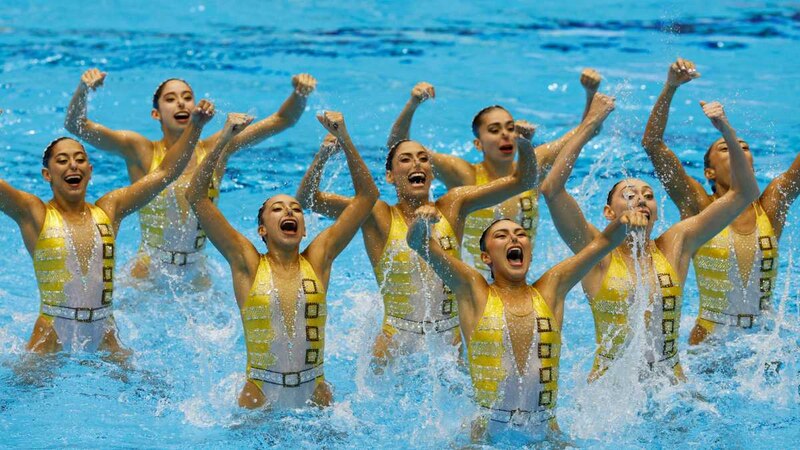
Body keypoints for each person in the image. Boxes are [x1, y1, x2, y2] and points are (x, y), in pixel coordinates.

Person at [540, 95, 759, 381]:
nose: (641, 200)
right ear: (609, 212)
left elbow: (745, 193)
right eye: (629, 196)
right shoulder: (595, 252)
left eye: (649, 196)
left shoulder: (675, 244)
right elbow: (552, 190)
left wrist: (726, 130)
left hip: (671, 388)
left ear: (656, 211)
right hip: (611, 393)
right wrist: (591, 122)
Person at [297, 120, 538, 365]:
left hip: (448, 341)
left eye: (423, 158)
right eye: (405, 159)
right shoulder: (376, 215)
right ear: (389, 176)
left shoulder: (453, 206)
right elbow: (307, 200)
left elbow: (524, 181)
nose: (416, 164)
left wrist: (525, 144)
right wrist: (322, 156)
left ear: (431, 173)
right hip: (395, 342)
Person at [186, 111, 378, 409]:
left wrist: (344, 136)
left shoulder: (317, 259)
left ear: (303, 229)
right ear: (262, 230)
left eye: (296, 209)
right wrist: (224, 138)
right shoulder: (247, 262)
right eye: (277, 209)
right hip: (260, 395)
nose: (289, 212)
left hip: (316, 394)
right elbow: (196, 197)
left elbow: (367, 197)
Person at [406, 208, 646, 441]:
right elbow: (419, 243)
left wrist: (622, 222)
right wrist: (421, 222)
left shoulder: (551, 289)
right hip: (486, 439)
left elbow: (602, 243)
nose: (513, 237)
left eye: (520, 234)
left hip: (546, 437)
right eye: (501, 235)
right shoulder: (473, 291)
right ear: (486, 257)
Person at [64, 68, 317, 288]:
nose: (181, 104)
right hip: (148, 271)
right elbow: (76, 125)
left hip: (197, 273)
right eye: (171, 99)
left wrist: (300, 94)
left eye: (187, 98)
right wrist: (84, 88)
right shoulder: (140, 150)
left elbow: (282, 120)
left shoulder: (217, 149)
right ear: (156, 114)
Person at [0, 100, 215, 354]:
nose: (73, 165)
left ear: (89, 171)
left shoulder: (109, 209)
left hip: (104, 333)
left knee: (151, 389)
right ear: (47, 174)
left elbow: (165, 173)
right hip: (52, 332)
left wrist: (196, 127)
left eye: (80, 159)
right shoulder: (34, 213)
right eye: (62, 160)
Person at [641, 58, 800, 343]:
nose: (740, 152)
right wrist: (670, 88)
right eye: (727, 148)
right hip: (711, 338)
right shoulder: (699, 209)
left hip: (765, 340)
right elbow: (652, 144)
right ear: (709, 172)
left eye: (745, 148)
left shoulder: (771, 206)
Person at [386, 69, 601, 277]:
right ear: (478, 144)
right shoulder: (464, 175)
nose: (505, 135)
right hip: (472, 283)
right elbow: (399, 146)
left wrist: (590, 94)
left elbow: (586, 132)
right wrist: (412, 104)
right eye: (494, 130)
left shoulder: (534, 163)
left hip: (517, 277)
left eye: (510, 128)